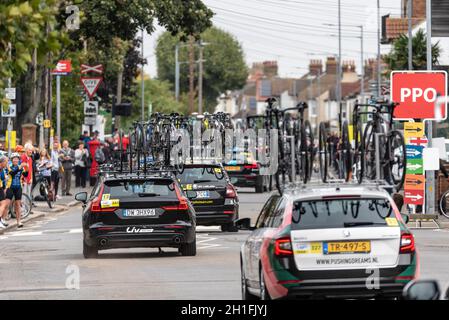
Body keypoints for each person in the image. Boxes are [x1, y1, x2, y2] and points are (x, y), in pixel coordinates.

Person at [5, 153, 28, 228]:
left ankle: (19, 221)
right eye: (14, 159)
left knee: (17, 205)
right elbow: (12, 173)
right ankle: (3, 220)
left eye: (17, 158)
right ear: (12, 160)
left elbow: (25, 175)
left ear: (18, 160)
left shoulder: (21, 166)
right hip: (10, 187)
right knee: (7, 204)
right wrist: (20, 167)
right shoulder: (9, 166)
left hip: (18, 187)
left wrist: (27, 168)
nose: (15, 160)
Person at [0, 156, 9, 228]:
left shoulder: (2, 168)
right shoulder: (0, 168)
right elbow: (3, 177)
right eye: (6, 162)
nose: (7, 164)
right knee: (3, 203)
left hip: (1, 187)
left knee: (3, 204)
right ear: (2, 162)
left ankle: (1, 220)